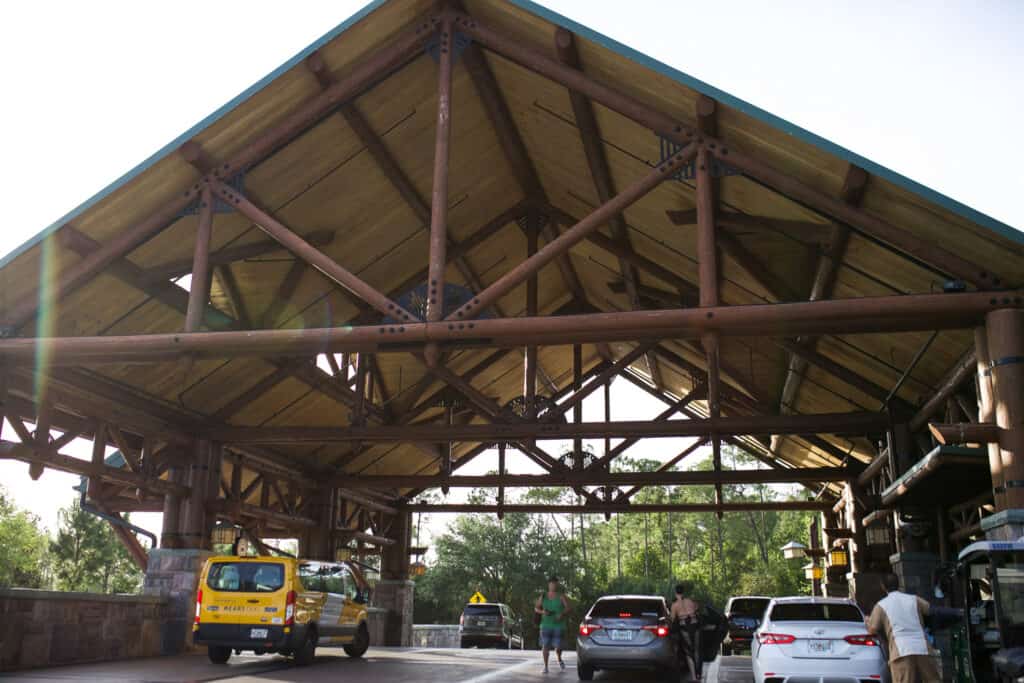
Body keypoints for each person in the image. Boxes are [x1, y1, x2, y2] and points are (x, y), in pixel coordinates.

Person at [867, 573, 940, 683]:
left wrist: (868, 621)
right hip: (922, 648)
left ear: (883, 586)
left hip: (900, 651)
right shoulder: (913, 599)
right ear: (898, 583)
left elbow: (872, 629)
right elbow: (929, 610)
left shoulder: (881, 605)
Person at [535, 576, 570, 674]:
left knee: (558, 647)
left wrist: (561, 614)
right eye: (551, 584)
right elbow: (536, 608)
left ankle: (559, 658)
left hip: (559, 626)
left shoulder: (561, 596)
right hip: (545, 625)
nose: (553, 585)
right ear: (548, 585)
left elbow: (568, 608)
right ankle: (546, 667)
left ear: (557, 585)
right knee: (545, 645)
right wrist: (543, 612)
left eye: (554, 584)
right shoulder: (543, 596)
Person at [669, 582, 700, 681]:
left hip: (685, 628)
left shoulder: (675, 605)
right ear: (683, 592)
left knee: (688, 652)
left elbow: (672, 619)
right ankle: (698, 673)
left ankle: (694, 677)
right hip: (695, 626)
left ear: (675, 592)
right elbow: (697, 608)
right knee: (696, 650)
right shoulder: (690, 601)